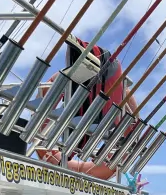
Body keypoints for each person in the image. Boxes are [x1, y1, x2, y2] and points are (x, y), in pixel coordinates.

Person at [35, 37, 139, 181]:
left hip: (88, 123)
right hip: (94, 122)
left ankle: (87, 62)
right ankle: (89, 62)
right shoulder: (115, 97)